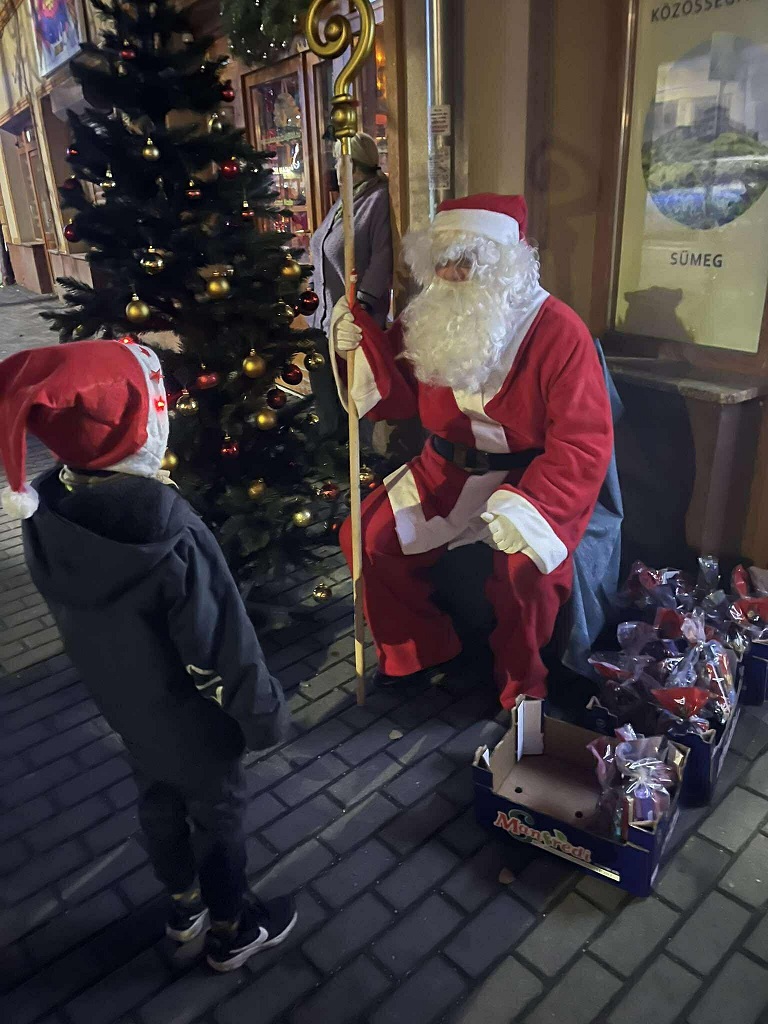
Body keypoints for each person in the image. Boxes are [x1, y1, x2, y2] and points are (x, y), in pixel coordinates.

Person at [0, 339, 296, 972]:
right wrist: (262, 716)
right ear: (138, 424)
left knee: (158, 800)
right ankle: (232, 925)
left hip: (128, 709)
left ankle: (183, 903)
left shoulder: (47, 516)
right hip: (194, 722)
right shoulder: (172, 532)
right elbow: (223, 643)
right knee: (218, 815)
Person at [330, 193, 614, 709]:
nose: (452, 274)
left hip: (527, 481)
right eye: (443, 262)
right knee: (365, 535)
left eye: (467, 262)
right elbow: (392, 388)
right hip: (444, 469)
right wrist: (357, 340)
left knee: (523, 573)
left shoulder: (558, 331)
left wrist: (534, 512)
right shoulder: (431, 313)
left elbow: (583, 441)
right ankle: (422, 653)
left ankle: (522, 688)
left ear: (504, 263)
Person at [307, 131, 392, 440]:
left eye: (338, 162)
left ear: (353, 165)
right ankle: (331, 465)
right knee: (328, 408)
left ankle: (359, 471)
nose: (333, 169)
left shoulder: (377, 199)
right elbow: (320, 249)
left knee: (357, 407)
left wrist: (363, 307)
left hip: (352, 324)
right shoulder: (344, 201)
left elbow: (384, 257)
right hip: (321, 319)